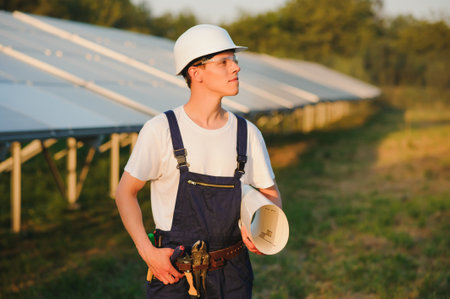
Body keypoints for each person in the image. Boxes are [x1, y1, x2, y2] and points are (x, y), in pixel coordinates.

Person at [115, 24, 282, 298]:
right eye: (224, 62)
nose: (236, 68)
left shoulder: (247, 133)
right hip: (173, 276)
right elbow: (125, 193)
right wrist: (148, 252)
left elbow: (270, 194)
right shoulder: (162, 130)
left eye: (235, 61)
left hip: (233, 276)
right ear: (196, 72)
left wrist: (260, 227)